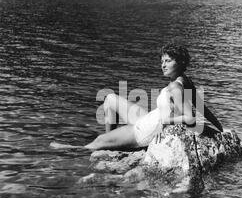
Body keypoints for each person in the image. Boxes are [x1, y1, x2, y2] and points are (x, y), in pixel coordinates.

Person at [50, 41, 224, 151]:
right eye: (162, 61)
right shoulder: (184, 80)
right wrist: (221, 130)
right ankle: (112, 143)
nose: (163, 65)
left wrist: (166, 121)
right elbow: (203, 108)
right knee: (110, 99)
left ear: (180, 62)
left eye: (168, 61)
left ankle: (98, 145)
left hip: (145, 130)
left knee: (96, 142)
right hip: (149, 117)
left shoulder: (175, 87)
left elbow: (191, 117)